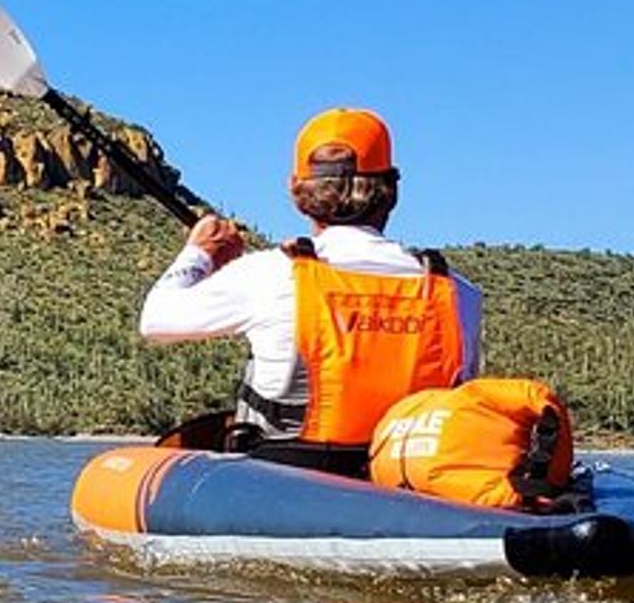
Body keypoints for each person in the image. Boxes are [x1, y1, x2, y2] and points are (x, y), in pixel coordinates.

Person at [139, 107, 483, 476]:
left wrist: (201, 252)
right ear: (391, 191)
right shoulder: (459, 293)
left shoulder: (269, 274)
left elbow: (155, 321)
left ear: (296, 190)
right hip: (409, 482)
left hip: (286, 476)